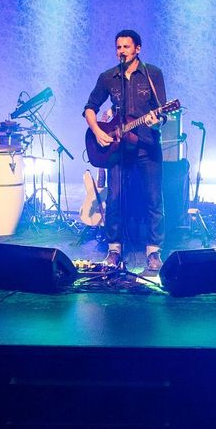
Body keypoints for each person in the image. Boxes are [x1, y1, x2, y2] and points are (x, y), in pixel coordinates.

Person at [84, 29, 167, 271]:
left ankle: (153, 252)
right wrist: (97, 131)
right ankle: (114, 250)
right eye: (118, 47)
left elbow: (162, 111)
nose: (122, 51)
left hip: (147, 146)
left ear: (137, 49)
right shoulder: (108, 77)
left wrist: (156, 121)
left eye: (126, 47)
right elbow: (89, 107)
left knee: (153, 198)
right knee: (114, 199)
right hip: (118, 148)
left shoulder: (153, 74)